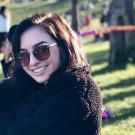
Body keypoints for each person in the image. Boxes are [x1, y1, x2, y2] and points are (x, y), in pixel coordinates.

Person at [0, 12, 102, 135]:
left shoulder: (78, 97)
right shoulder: (29, 85)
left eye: (42, 50)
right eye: (24, 55)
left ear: (63, 45)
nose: (32, 62)